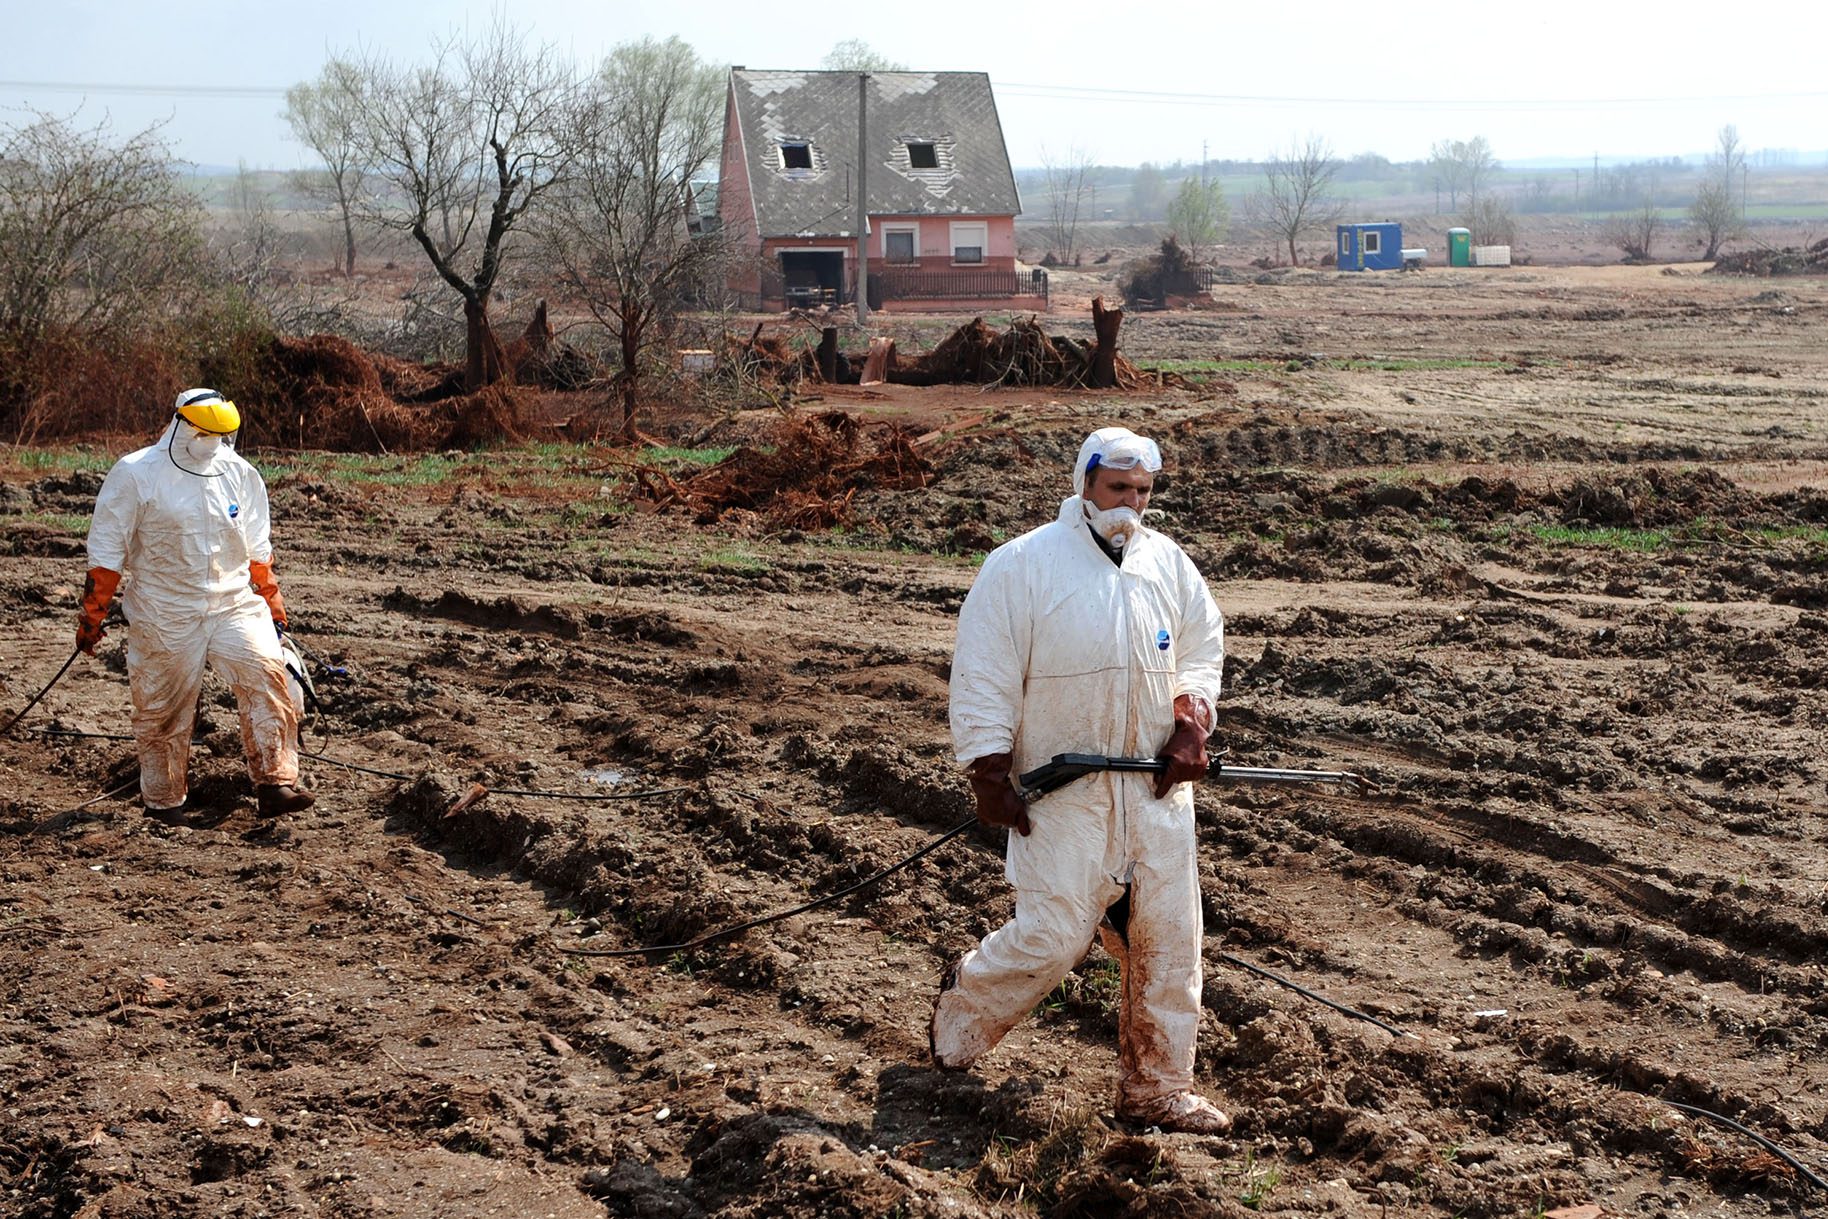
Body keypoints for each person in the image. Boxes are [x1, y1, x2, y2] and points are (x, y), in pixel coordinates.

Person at [933, 425, 1230, 1135]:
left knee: (1168, 945)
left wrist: (1193, 721)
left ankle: (1157, 1090)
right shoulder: (1023, 565)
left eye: (1143, 490)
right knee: (1053, 937)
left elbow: (1201, 646)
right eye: (1118, 487)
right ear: (1085, 484)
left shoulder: (1168, 565)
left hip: (1156, 793)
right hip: (1062, 795)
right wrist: (987, 768)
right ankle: (963, 1009)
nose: (1131, 502)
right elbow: (985, 670)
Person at [77, 389, 315, 819]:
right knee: (162, 710)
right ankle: (165, 803)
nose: (213, 443)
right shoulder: (136, 474)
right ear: (181, 425)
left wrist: (273, 607)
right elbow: (107, 551)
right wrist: (93, 614)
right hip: (164, 611)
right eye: (205, 433)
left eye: (221, 435)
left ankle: (275, 782)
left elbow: (259, 552)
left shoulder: (241, 475)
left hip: (233, 604)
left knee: (267, 677)